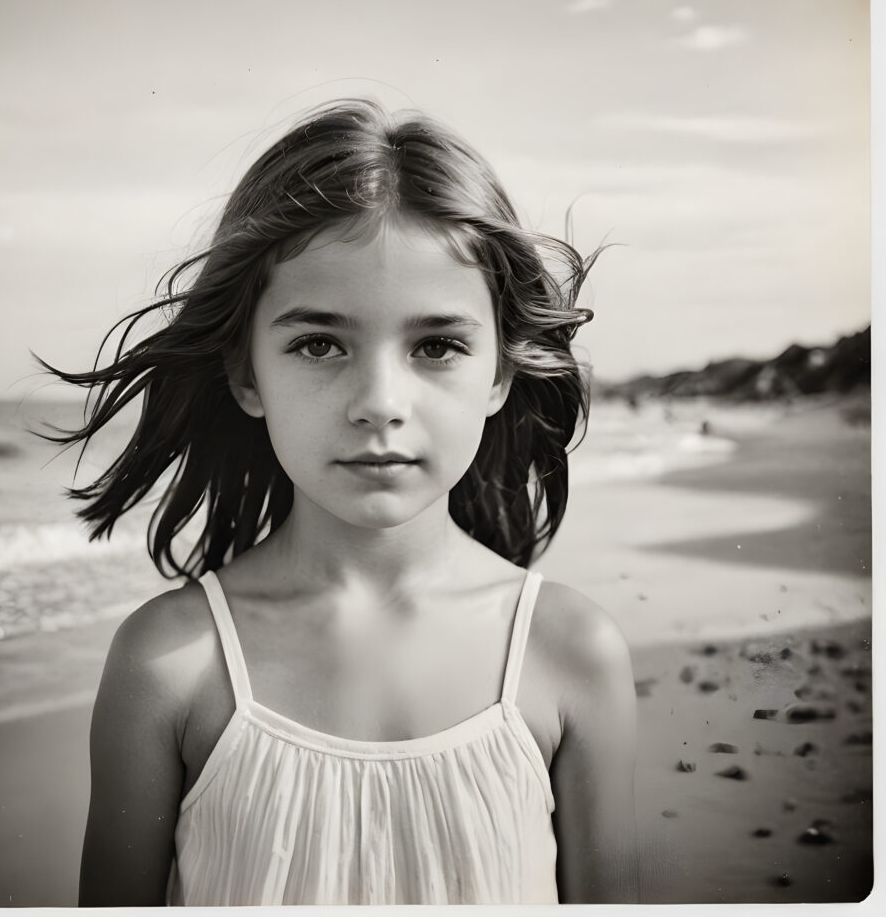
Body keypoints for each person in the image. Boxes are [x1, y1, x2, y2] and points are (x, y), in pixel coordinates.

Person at [44, 99, 638, 906]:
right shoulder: (170, 665)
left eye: (437, 346)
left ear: (499, 372)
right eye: (319, 344)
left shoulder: (571, 654)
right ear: (246, 374)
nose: (378, 402)